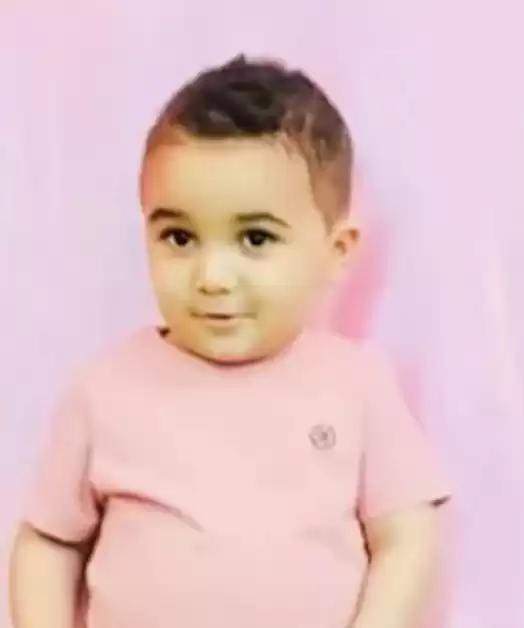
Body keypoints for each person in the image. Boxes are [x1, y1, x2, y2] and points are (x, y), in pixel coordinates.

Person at [9, 57, 450, 628]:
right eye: (179, 237)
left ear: (336, 251)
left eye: (255, 238)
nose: (212, 276)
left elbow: (407, 535)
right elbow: (49, 541)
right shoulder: (106, 388)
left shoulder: (356, 383)